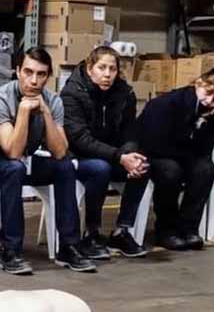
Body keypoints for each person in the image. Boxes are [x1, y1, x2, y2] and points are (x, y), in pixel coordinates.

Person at [0, 47, 96, 274]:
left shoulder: (53, 101)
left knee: (64, 167)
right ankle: (10, 251)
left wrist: (46, 113)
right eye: (28, 72)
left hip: (26, 161)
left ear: (48, 76)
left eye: (41, 74)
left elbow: (60, 151)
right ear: (17, 71)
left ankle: (69, 246)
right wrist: (23, 112)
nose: (33, 81)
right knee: (13, 168)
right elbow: (12, 152)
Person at [61, 46, 149, 259]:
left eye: (112, 69)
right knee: (100, 169)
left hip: (113, 154)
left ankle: (122, 231)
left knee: (143, 165)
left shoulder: (125, 94)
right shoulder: (72, 93)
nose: (107, 74)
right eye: (102, 68)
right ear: (89, 68)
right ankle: (92, 233)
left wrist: (129, 155)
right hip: (79, 156)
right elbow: (80, 139)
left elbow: (130, 133)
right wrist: (120, 157)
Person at [137, 68, 214, 250]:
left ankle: (189, 228)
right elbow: (153, 142)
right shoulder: (168, 103)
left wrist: (204, 124)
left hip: (183, 153)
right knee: (171, 171)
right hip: (156, 153)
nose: (209, 100)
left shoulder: (210, 111)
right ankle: (166, 230)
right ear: (198, 84)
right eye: (208, 92)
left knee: (205, 169)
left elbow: (206, 147)